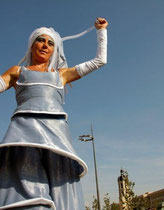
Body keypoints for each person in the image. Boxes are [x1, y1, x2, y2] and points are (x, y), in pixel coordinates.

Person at [0, 17, 108, 210]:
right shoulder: (18, 72)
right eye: (40, 40)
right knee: (25, 189)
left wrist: (102, 32)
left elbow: (100, 61)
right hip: (24, 136)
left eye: (50, 43)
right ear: (32, 45)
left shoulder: (62, 75)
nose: (45, 45)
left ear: (54, 50)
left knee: (63, 188)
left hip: (56, 138)